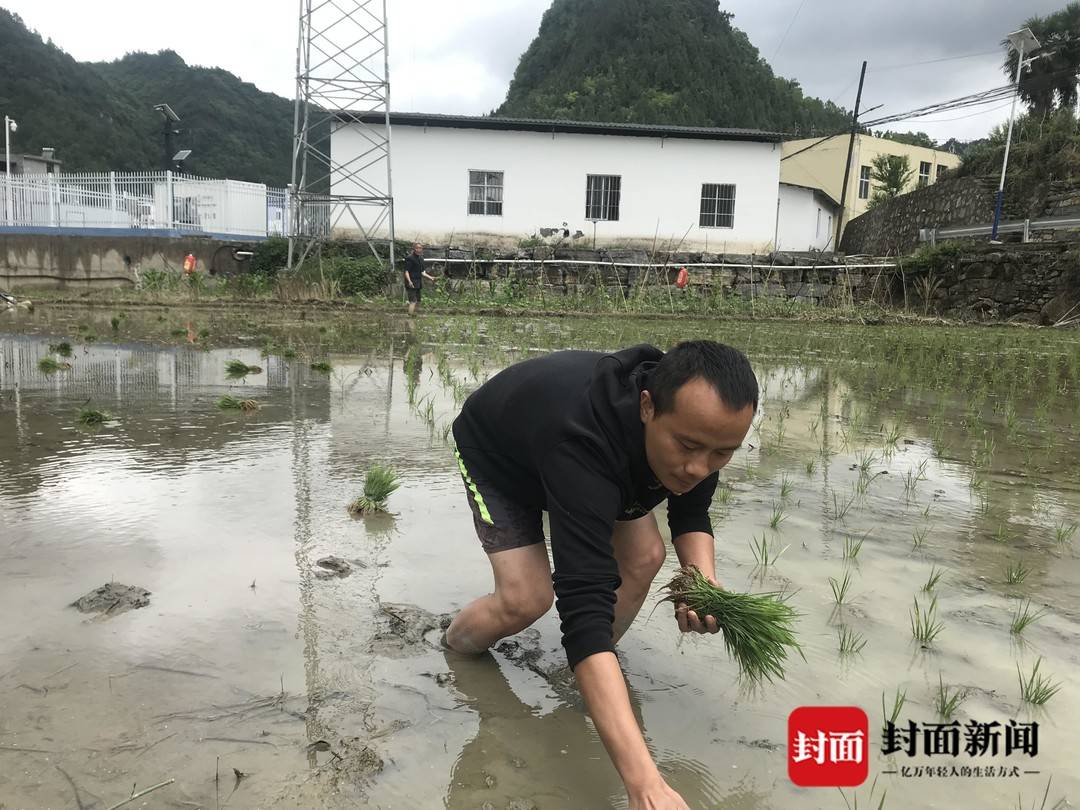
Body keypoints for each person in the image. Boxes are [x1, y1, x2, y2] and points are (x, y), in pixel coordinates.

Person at [446, 341, 758, 810]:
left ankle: (586, 676)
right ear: (647, 406)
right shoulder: (582, 446)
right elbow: (583, 610)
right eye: (689, 447)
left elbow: (691, 514)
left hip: (592, 458)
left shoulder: (700, 433)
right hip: (499, 455)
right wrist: (645, 786)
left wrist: (703, 585)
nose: (699, 468)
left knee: (644, 556)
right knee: (526, 598)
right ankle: (453, 648)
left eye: (722, 454)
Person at [403, 242, 437, 316]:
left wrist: (431, 277)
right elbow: (406, 271)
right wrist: (409, 281)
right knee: (413, 301)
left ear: (422, 249)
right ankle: (409, 316)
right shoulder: (410, 258)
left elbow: (422, 272)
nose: (419, 249)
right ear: (414, 249)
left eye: (420, 248)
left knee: (418, 300)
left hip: (418, 282)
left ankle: (413, 313)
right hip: (411, 282)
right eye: (417, 248)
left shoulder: (421, 258)